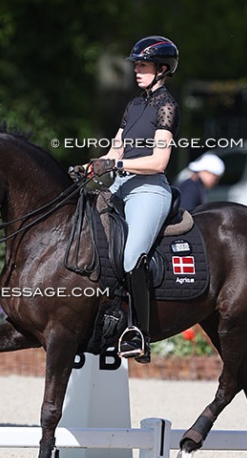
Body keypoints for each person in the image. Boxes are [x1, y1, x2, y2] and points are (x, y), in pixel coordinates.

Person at [96, 35, 180, 364]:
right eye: (136, 66)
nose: (137, 71)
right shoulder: (133, 106)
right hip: (120, 185)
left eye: (142, 66)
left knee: (132, 255)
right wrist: (92, 166)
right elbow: (116, 149)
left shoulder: (167, 106)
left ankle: (139, 334)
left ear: (162, 69)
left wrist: (115, 164)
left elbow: (159, 162)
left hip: (148, 189)